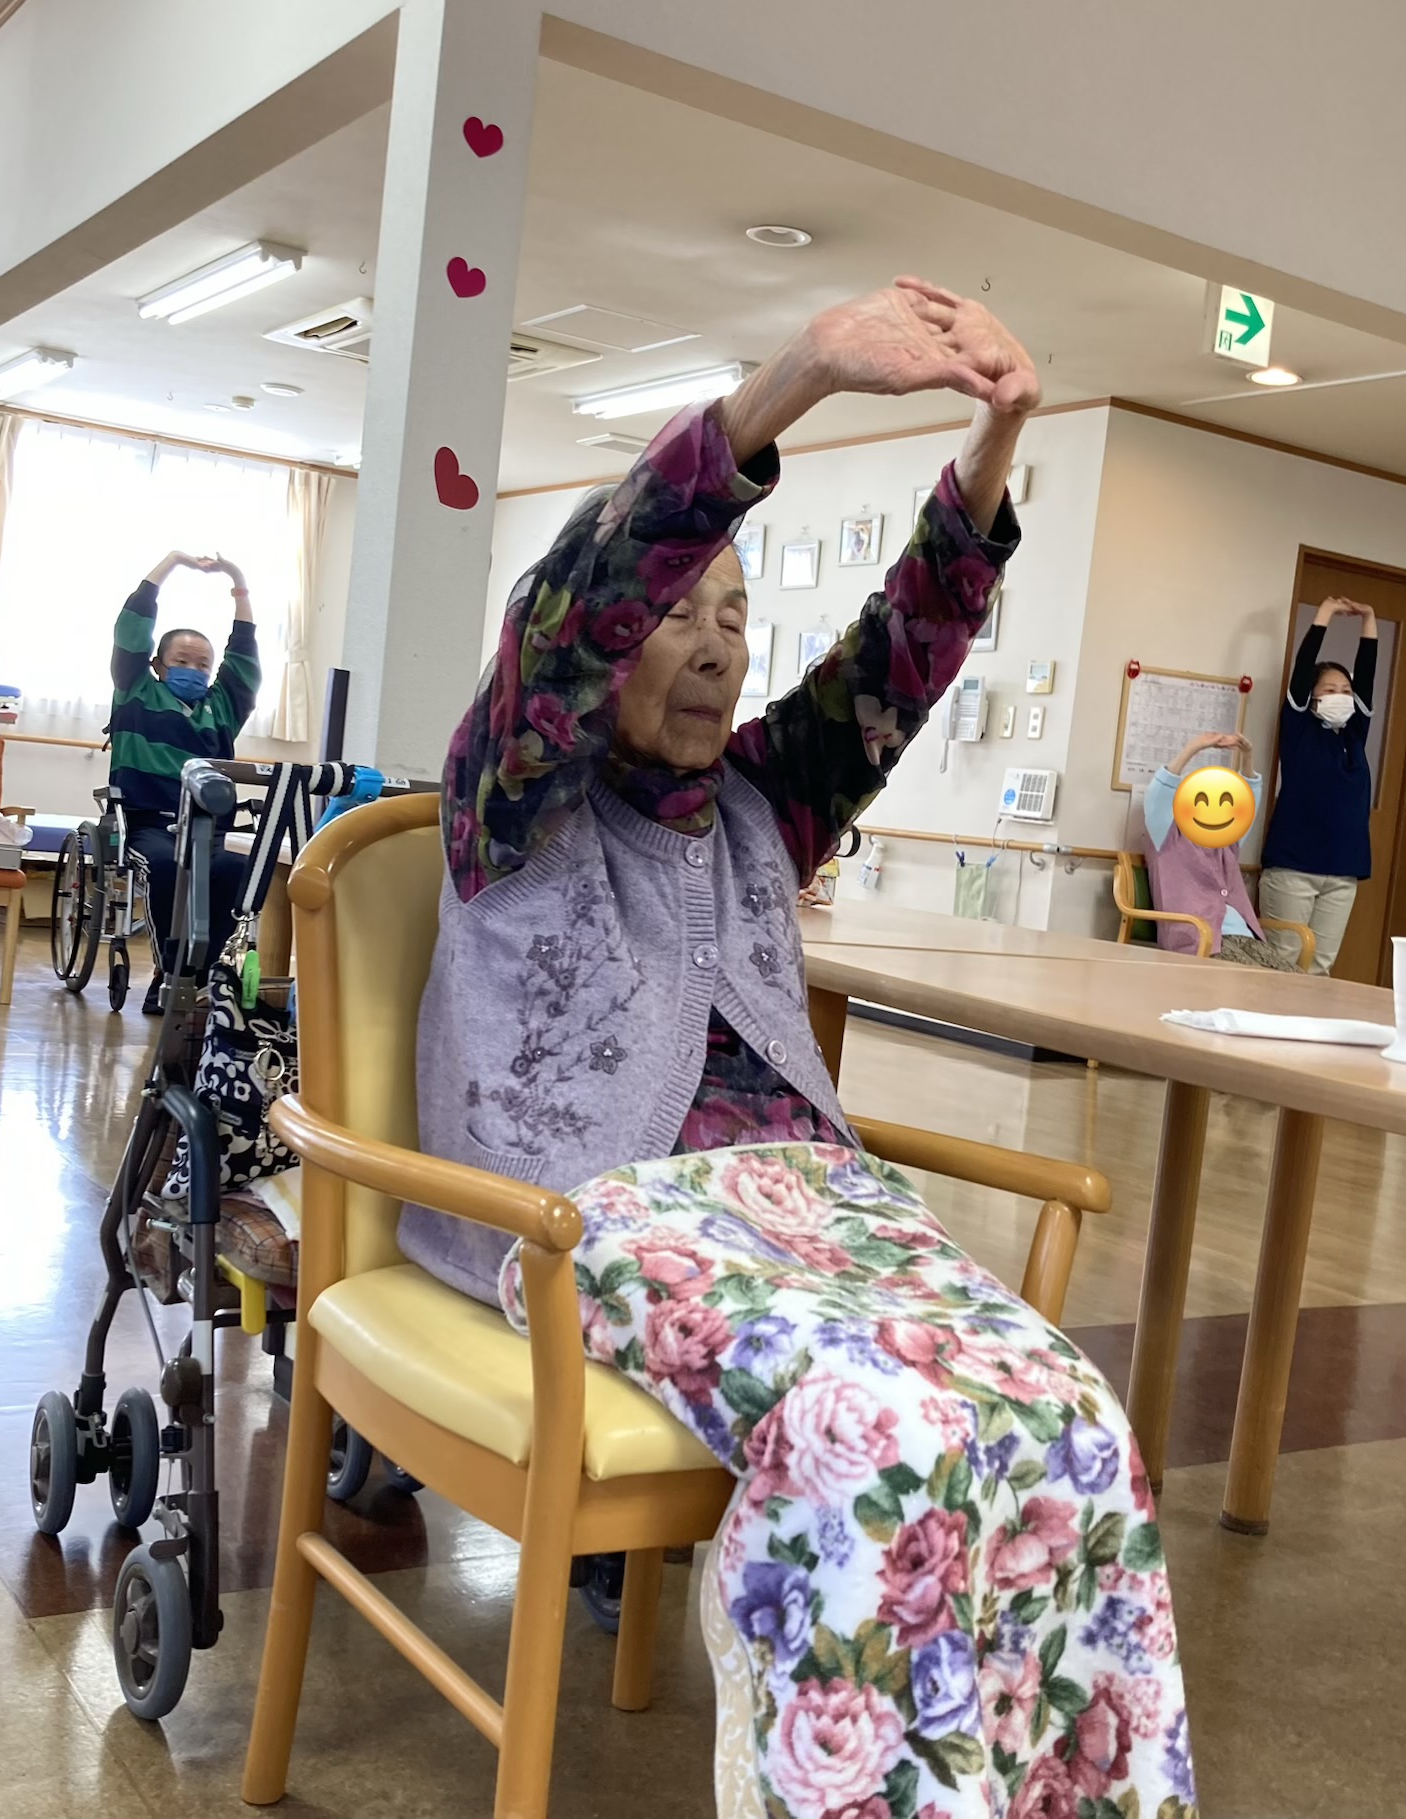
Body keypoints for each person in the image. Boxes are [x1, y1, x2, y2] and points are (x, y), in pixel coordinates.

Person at [407, 279, 1194, 1818]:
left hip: (813, 1212)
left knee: (1067, 1412)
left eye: (733, 617)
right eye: (673, 616)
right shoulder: (510, 797)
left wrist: (995, 439)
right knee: (874, 1430)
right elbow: (575, 598)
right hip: (593, 1215)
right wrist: (798, 382)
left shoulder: (766, 801)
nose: (711, 647)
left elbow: (902, 654)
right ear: (608, 645)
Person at [108, 550, 258, 1013]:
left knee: (236, 869)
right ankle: (171, 975)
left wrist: (238, 581)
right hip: (149, 824)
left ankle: (206, 978)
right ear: (158, 664)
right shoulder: (136, 690)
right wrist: (170, 563)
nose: (193, 670)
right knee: (169, 868)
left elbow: (245, 655)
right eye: (182, 661)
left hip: (210, 829)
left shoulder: (223, 708)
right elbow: (131, 628)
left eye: (202, 665)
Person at [1258, 596, 1378, 974]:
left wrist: (1369, 619)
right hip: (1293, 868)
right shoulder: (1298, 729)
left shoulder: (1355, 735)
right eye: (1329, 689)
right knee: (1282, 961)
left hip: (1343, 871)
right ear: (1310, 696)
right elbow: (1302, 667)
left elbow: (1367, 675)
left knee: (1320, 967)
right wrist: (1324, 614)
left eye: (1345, 690)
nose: (1339, 695)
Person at [1141, 730, 1293, 969]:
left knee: (1299, 983)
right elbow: (1158, 793)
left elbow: (1248, 803)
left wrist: (1247, 755)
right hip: (1201, 941)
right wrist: (1195, 747)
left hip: (1246, 936)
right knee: (1260, 983)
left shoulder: (1227, 840)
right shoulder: (1167, 836)